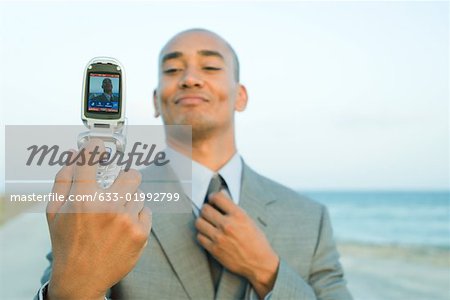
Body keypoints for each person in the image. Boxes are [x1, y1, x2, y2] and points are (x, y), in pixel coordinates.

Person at [37, 28, 352, 299]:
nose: (189, 79)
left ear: (240, 96)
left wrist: (267, 270)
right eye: (173, 71)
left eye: (211, 66)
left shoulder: (310, 219)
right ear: (156, 101)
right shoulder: (105, 202)